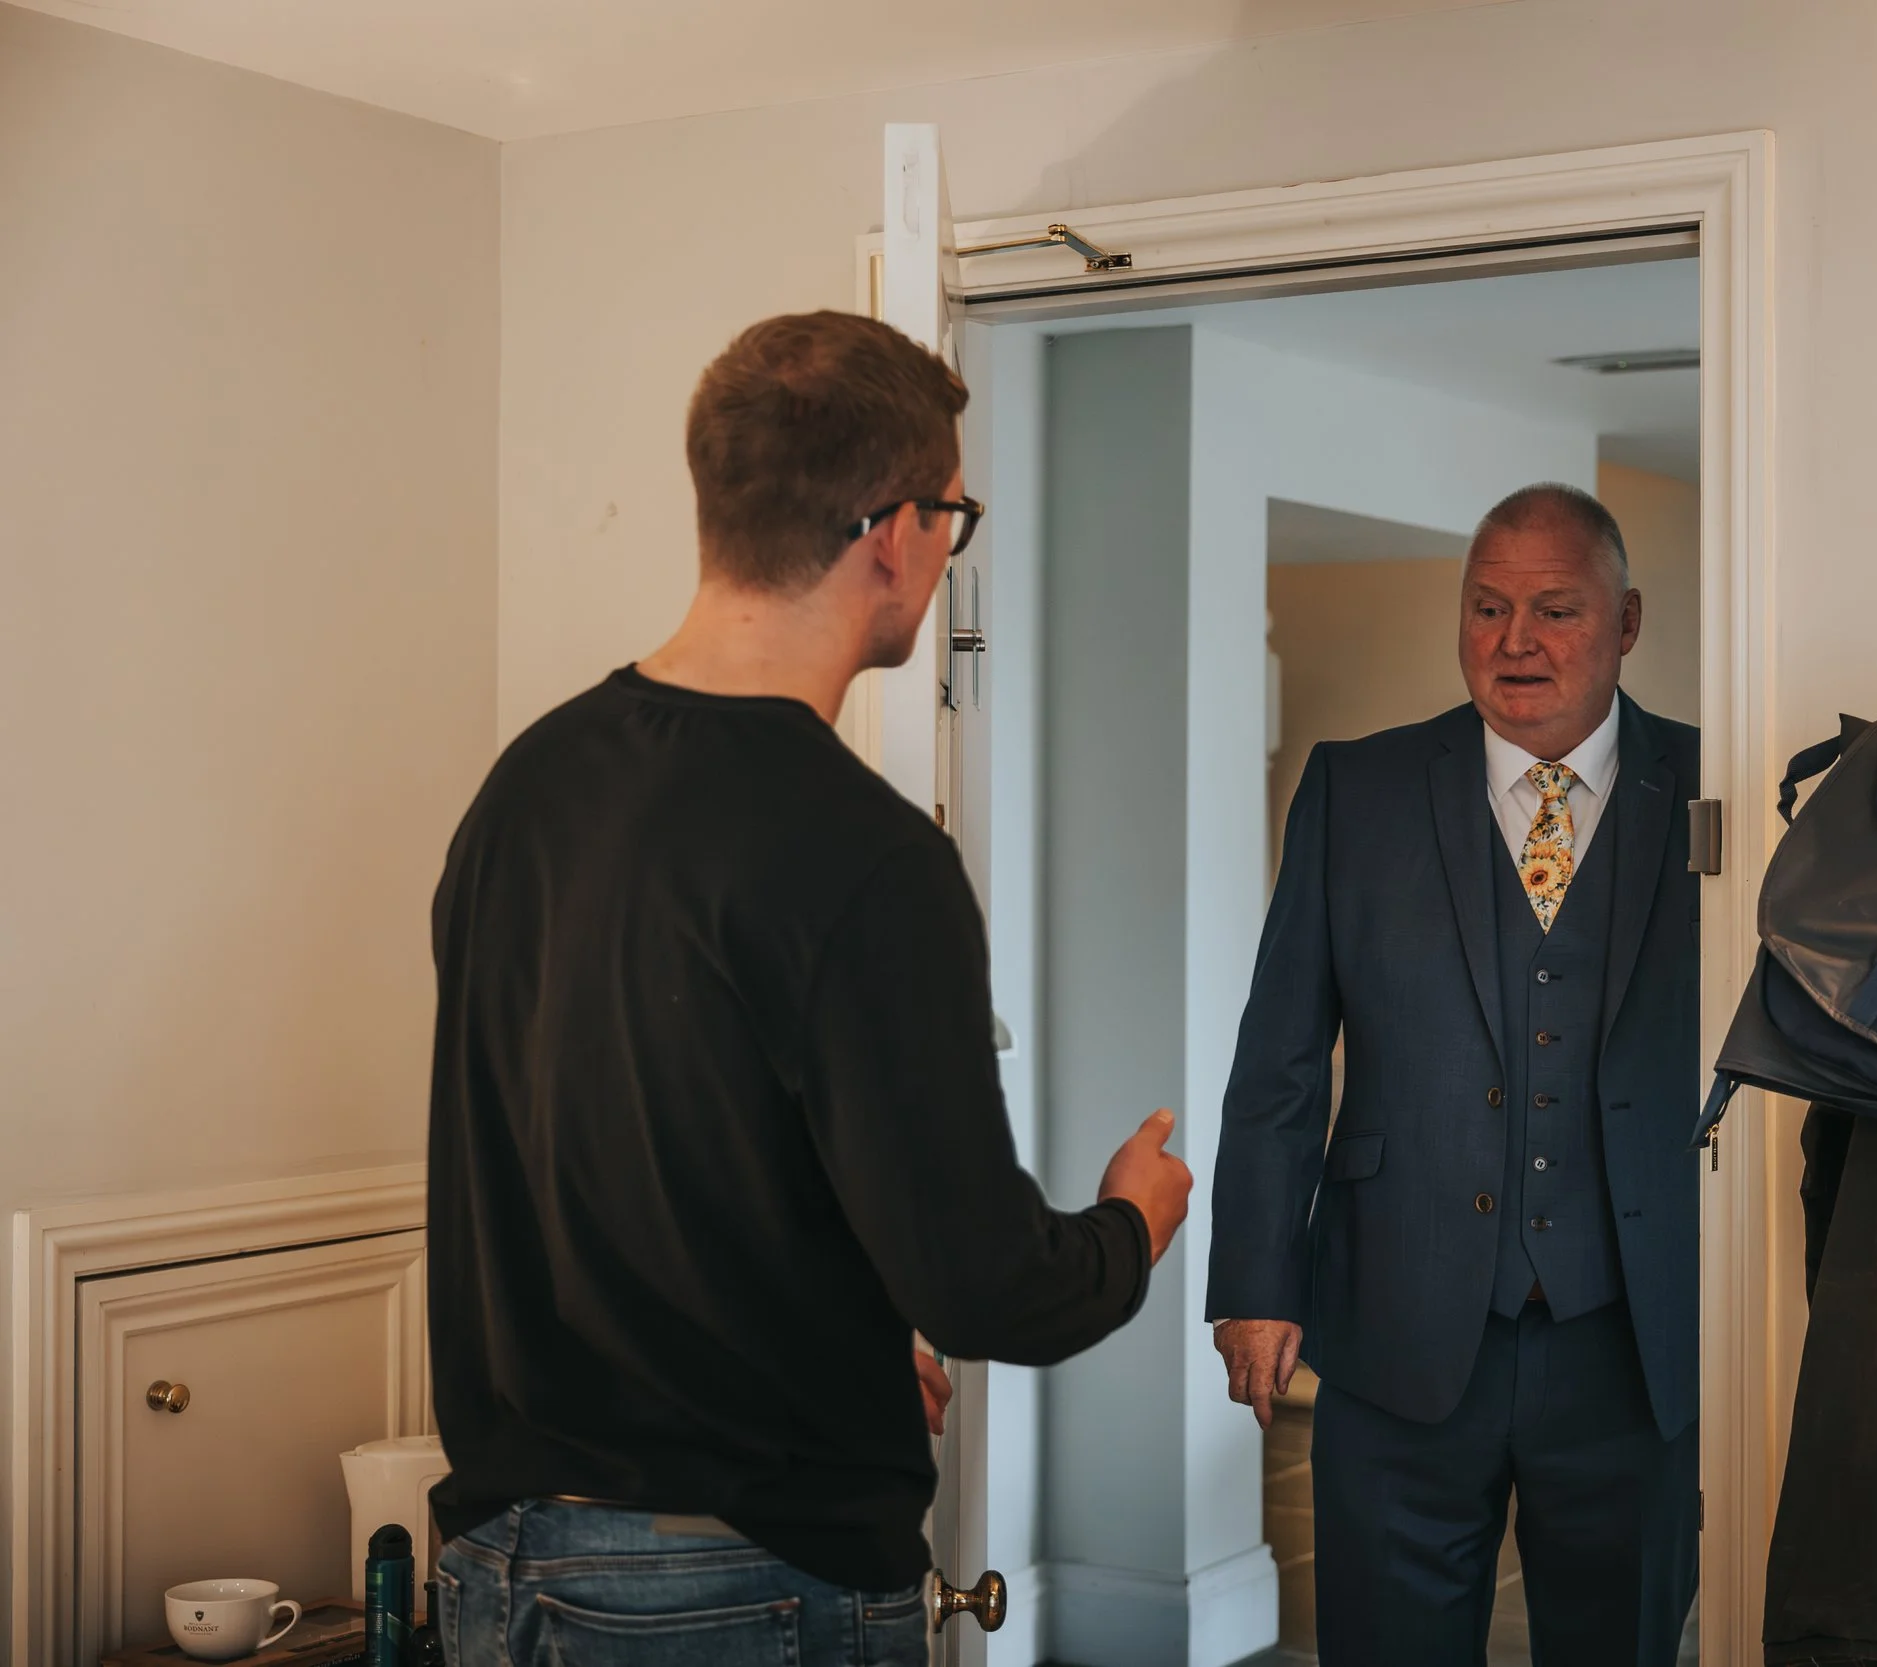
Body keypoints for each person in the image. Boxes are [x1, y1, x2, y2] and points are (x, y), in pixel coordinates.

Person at [425, 310, 1191, 1667]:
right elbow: (986, 1289)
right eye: (955, 512)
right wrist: (1131, 1224)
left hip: (500, 1560)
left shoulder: (525, 787)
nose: (948, 544)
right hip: (742, 1582)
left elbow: (621, 1150)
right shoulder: (867, 857)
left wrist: (822, 1335)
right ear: (894, 528)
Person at [1208, 483, 1702, 1663]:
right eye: (1486, 607)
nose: (1514, 641)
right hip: (1395, 1325)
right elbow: (1277, 1056)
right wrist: (1255, 1279)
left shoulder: (1710, 791)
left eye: (1553, 609)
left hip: (1634, 1336)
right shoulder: (1357, 790)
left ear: (1626, 622)